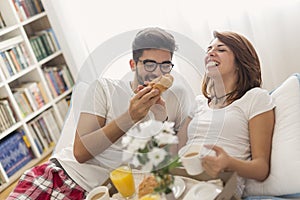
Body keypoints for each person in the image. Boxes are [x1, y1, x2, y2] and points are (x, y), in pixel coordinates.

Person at [8, 27, 194, 199]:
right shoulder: (103, 89)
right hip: (62, 177)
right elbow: (81, 153)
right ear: (133, 64)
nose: (158, 73)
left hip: (110, 193)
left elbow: (170, 160)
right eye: (150, 64)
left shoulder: (176, 98)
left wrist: (161, 122)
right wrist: (130, 117)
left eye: (165, 65)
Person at [178, 31, 275, 197]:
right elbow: (176, 151)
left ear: (240, 61)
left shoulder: (255, 98)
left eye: (221, 49)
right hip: (180, 181)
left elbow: (261, 169)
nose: (210, 53)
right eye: (209, 49)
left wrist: (228, 163)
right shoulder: (199, 102)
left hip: (219, 186)